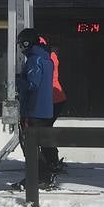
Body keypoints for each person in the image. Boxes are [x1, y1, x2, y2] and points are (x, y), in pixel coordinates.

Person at [12, 27, 55, 189]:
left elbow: (32, 84)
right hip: (44, 110)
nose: (20, 48)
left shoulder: (34, 59)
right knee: (39, 144)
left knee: (29, 145)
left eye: (20, 44)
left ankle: (38, 177)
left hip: (33, 109)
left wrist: (16, 81)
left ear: (26, 43)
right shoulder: (47, 58)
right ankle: (43, 175)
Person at [38, 35, 66, 175]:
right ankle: (51, 159)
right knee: (46, 129)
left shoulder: (43, 59)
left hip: (51, 99)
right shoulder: (51, 56)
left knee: (43, 130)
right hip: (57, 98)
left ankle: (50, 161)